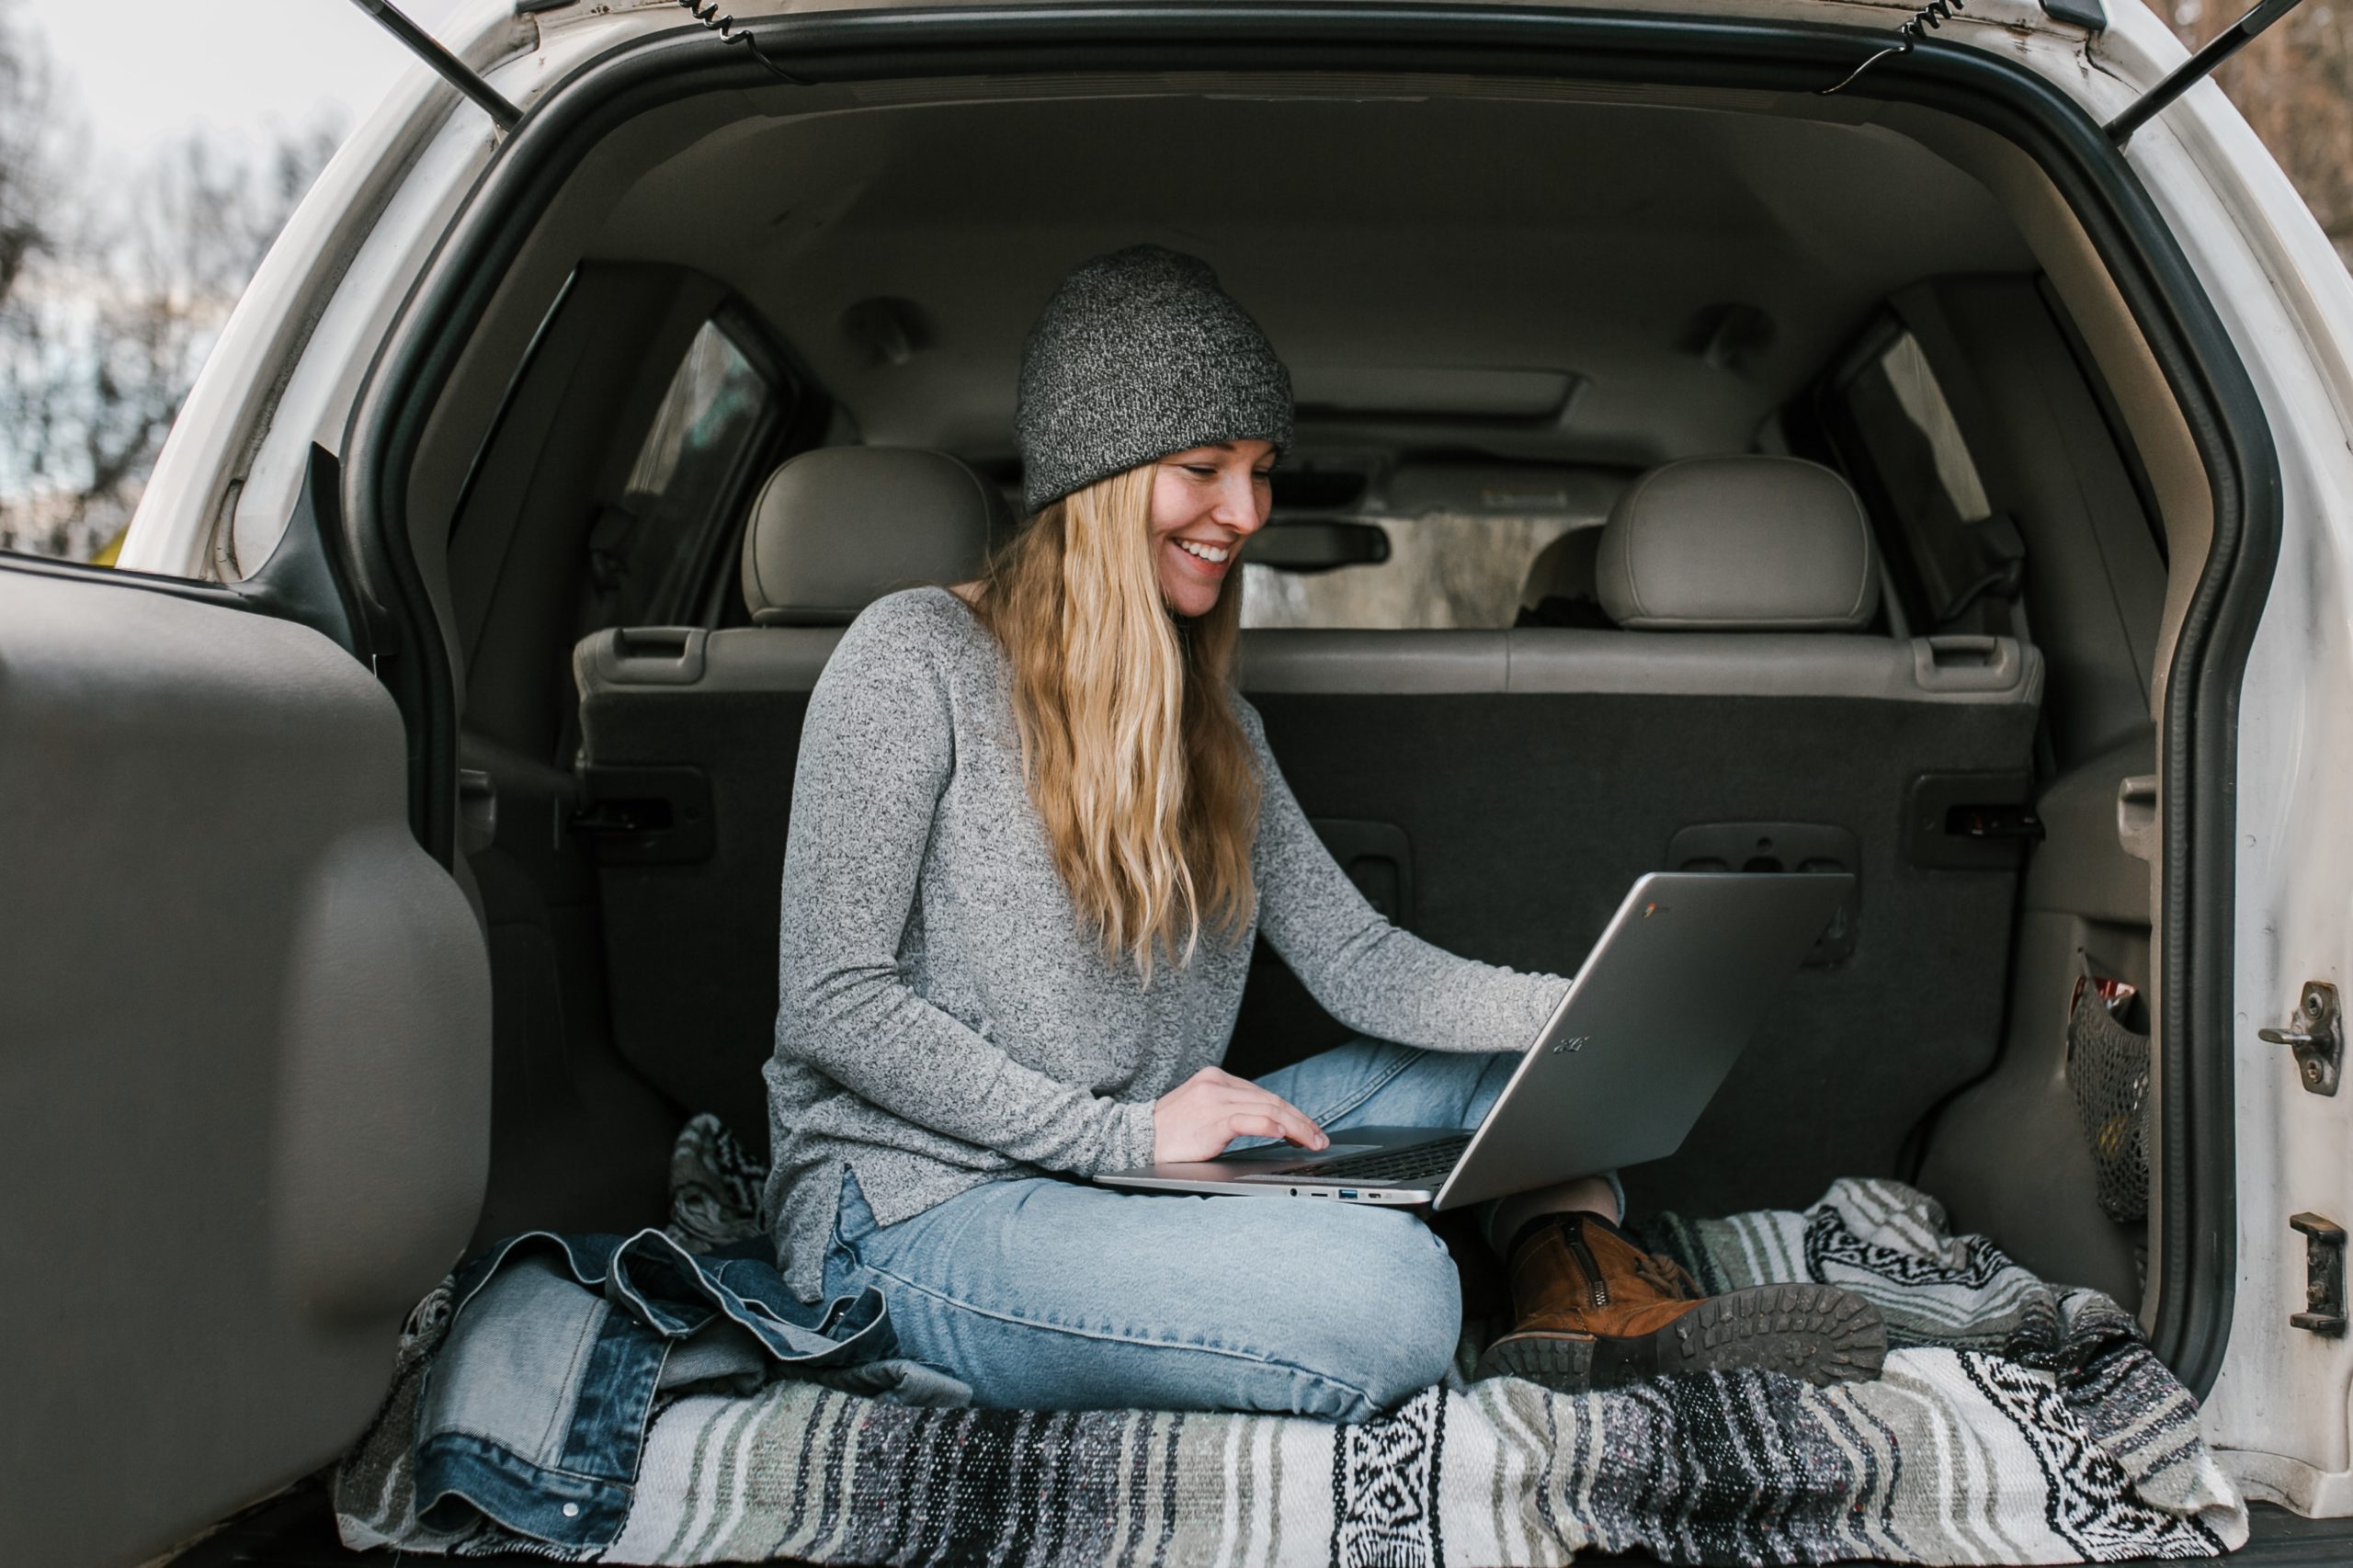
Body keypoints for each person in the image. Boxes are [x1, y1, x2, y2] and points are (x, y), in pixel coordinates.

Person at [759, 244, 1885, 1420]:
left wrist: (1573, 1012)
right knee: (1392, 1300)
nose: (1244, 513)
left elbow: (1358, 958)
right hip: (921, 1206)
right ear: (1096, 478)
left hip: (1137, 1165)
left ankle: (1580, 1297)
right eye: (1202, 468)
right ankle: (1449, 1281)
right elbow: (834, 1001)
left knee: (1534, 1077)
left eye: (1258, 470)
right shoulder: (910, 658)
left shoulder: (1216, 725)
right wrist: (1123, 1135)